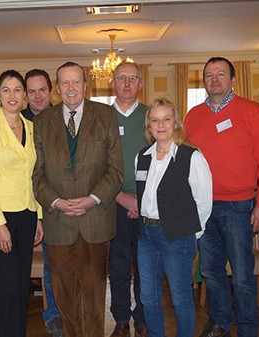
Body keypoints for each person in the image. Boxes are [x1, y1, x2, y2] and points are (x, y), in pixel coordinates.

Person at [184, 56, 259, 337]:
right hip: (203, 207)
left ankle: (248, 328)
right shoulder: (193, 115)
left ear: (233, 80)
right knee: (211, 272)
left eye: (221, 74)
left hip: (239, 206)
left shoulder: (252, 111)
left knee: (242, 276)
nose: (214, 79)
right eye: (209, 75)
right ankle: (220, 323)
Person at [32, 61, 124, 337]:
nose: (70, 88)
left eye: (76, 82)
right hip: (59, 221)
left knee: (95, 295)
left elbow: (116, 169)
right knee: (64, 295)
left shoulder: (106, 115)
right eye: (64, 83)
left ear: (86, 85)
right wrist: (56, 202)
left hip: (95, 219)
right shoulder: (42, 121)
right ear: (57, 88)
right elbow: (37, 173)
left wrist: (92, 199)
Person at [0, 70, 43, 337]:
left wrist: (38, 216)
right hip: (0, 218)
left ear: (24, 95)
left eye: (17, 90)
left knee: (21, 287)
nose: (12, 95)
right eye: (6, 90)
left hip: (26, 214)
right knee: (6, 291)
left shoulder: (30, 127)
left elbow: (34, 175)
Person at [136, 98, 212, 337]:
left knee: (180, 298)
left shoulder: (192, 157)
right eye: (155, 120)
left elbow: (204, 201)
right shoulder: (142, 157)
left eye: (166, 119)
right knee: (148, 297)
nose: (160, 125)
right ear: (149, 127)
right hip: (146, 236)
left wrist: (190, 234)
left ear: (176, 124)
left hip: (178, 238)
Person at [20, 68, 64, 337]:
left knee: (54, 266)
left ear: (51, 91)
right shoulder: (14, 121)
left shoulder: (62, 118)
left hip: (54, 206)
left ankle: (55, 314)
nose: (37, 96)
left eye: (42, 90)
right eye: (31, 91)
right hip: (21, 206)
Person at [108, 61, 148, 337]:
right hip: (114, 204)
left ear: (140, 83)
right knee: (118, 266)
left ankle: (143, 320)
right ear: (112, 83)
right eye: (121, 78)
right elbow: (95, 165)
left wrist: (141, 200)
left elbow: (162, 160)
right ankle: (121, 319)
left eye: (132, 78)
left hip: (148, 206)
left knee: (146, 266)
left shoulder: (151, 116)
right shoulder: (101, 117)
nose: (126, 84)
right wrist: (122, 197)